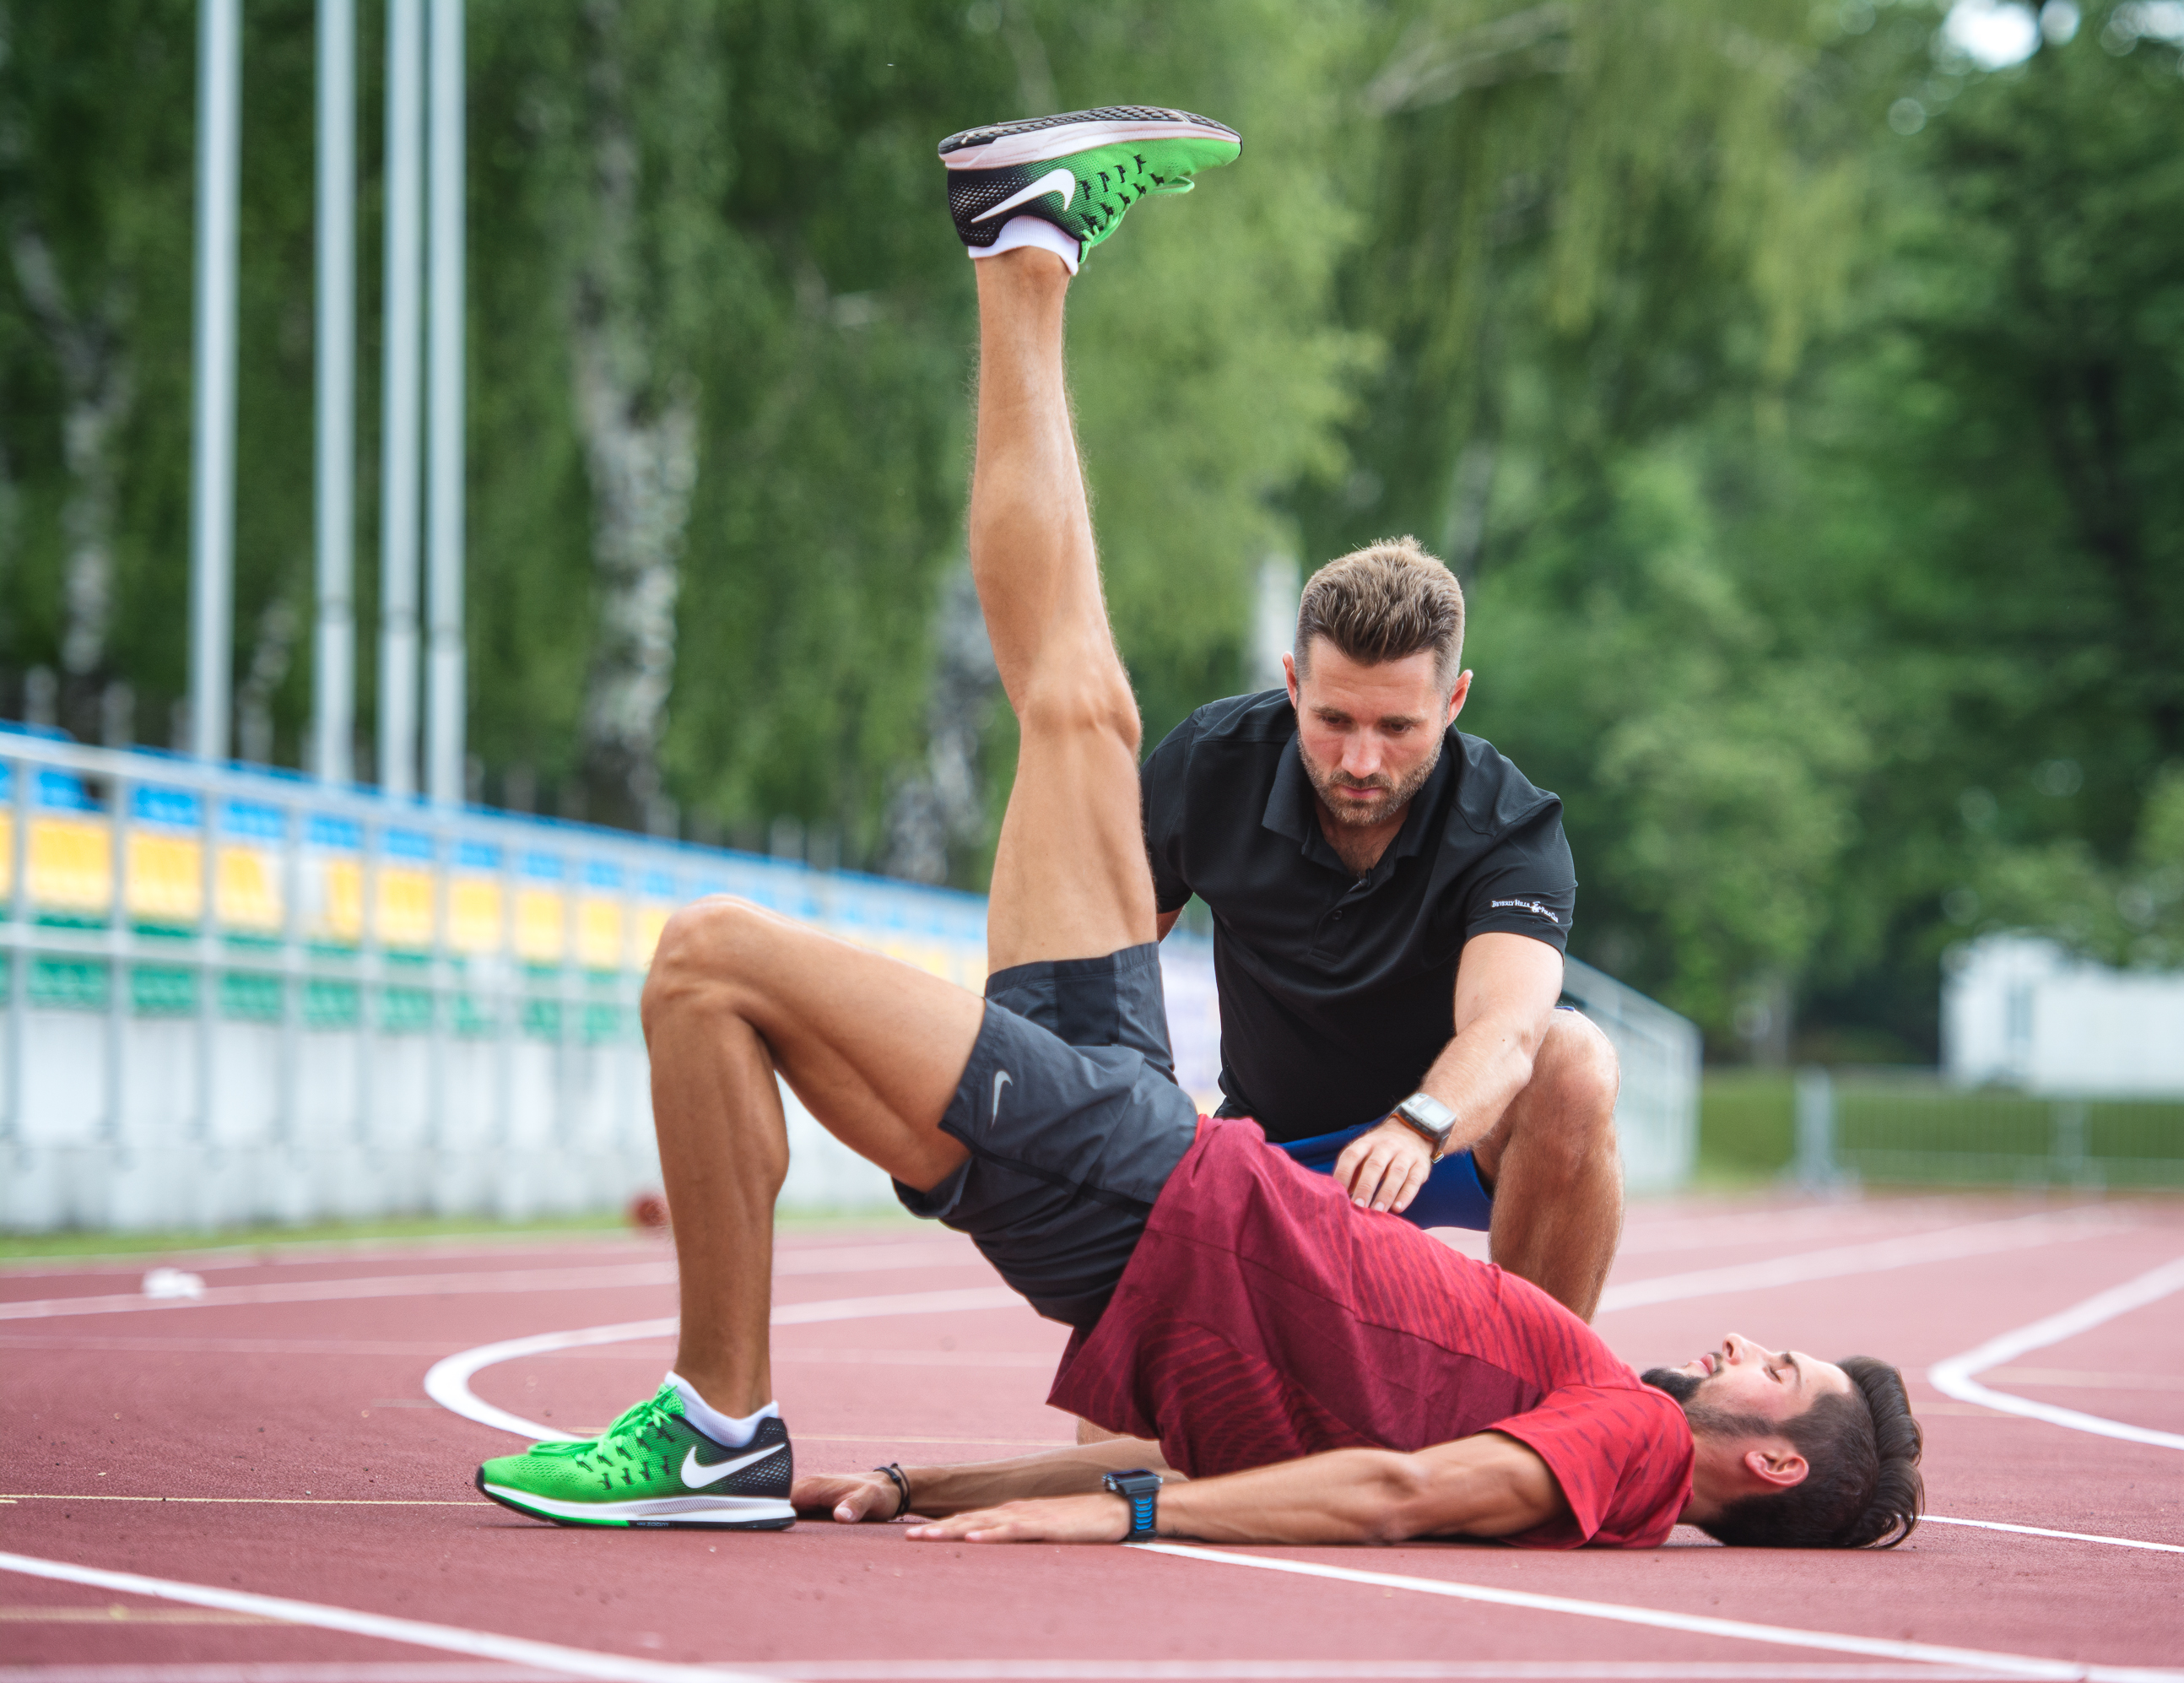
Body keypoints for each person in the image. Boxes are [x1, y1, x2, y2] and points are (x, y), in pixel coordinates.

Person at [469, 106, 1922, 1551]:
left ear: (1775, 1465)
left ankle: (720, 1427)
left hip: (1160, 1197)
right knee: (1073, 705)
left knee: (712, 957)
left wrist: (1134, 1520)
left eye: (1777, 1371)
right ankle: (1022, 241)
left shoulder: (1624, 1440)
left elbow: (1394, 1493)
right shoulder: (1578, 1403)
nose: (1741, 1347)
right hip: (1161, 1158)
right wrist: (930, 1486)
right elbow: (1237, 1445)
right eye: (1330, 721)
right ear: (1296, 690)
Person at [1144, 540, 1625, 1322]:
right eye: (1333, 720)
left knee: (1575, 1058)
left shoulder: (1512, 827)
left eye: (1398, 725)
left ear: (1454, 700)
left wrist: (1416, 1128)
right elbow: (1103, 954)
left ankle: (1549, 1395)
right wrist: (1139, 1111)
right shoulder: (1209, 763)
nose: (1361, 761)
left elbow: (1510, 1031)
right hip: (1268, 1150)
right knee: (1133, 1434)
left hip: (1446, 1139)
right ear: (1293, 683)